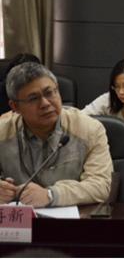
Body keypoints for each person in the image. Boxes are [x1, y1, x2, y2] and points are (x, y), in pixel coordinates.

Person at [0, 62, 112, 207]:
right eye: (33, 99)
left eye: (49, 93)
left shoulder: (89, 129)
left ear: (57, 90)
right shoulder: (2, 134)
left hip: (73, 218)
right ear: (15, 107)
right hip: (20, 219)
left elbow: (100, 186)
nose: (45, 103)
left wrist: (51, 195)